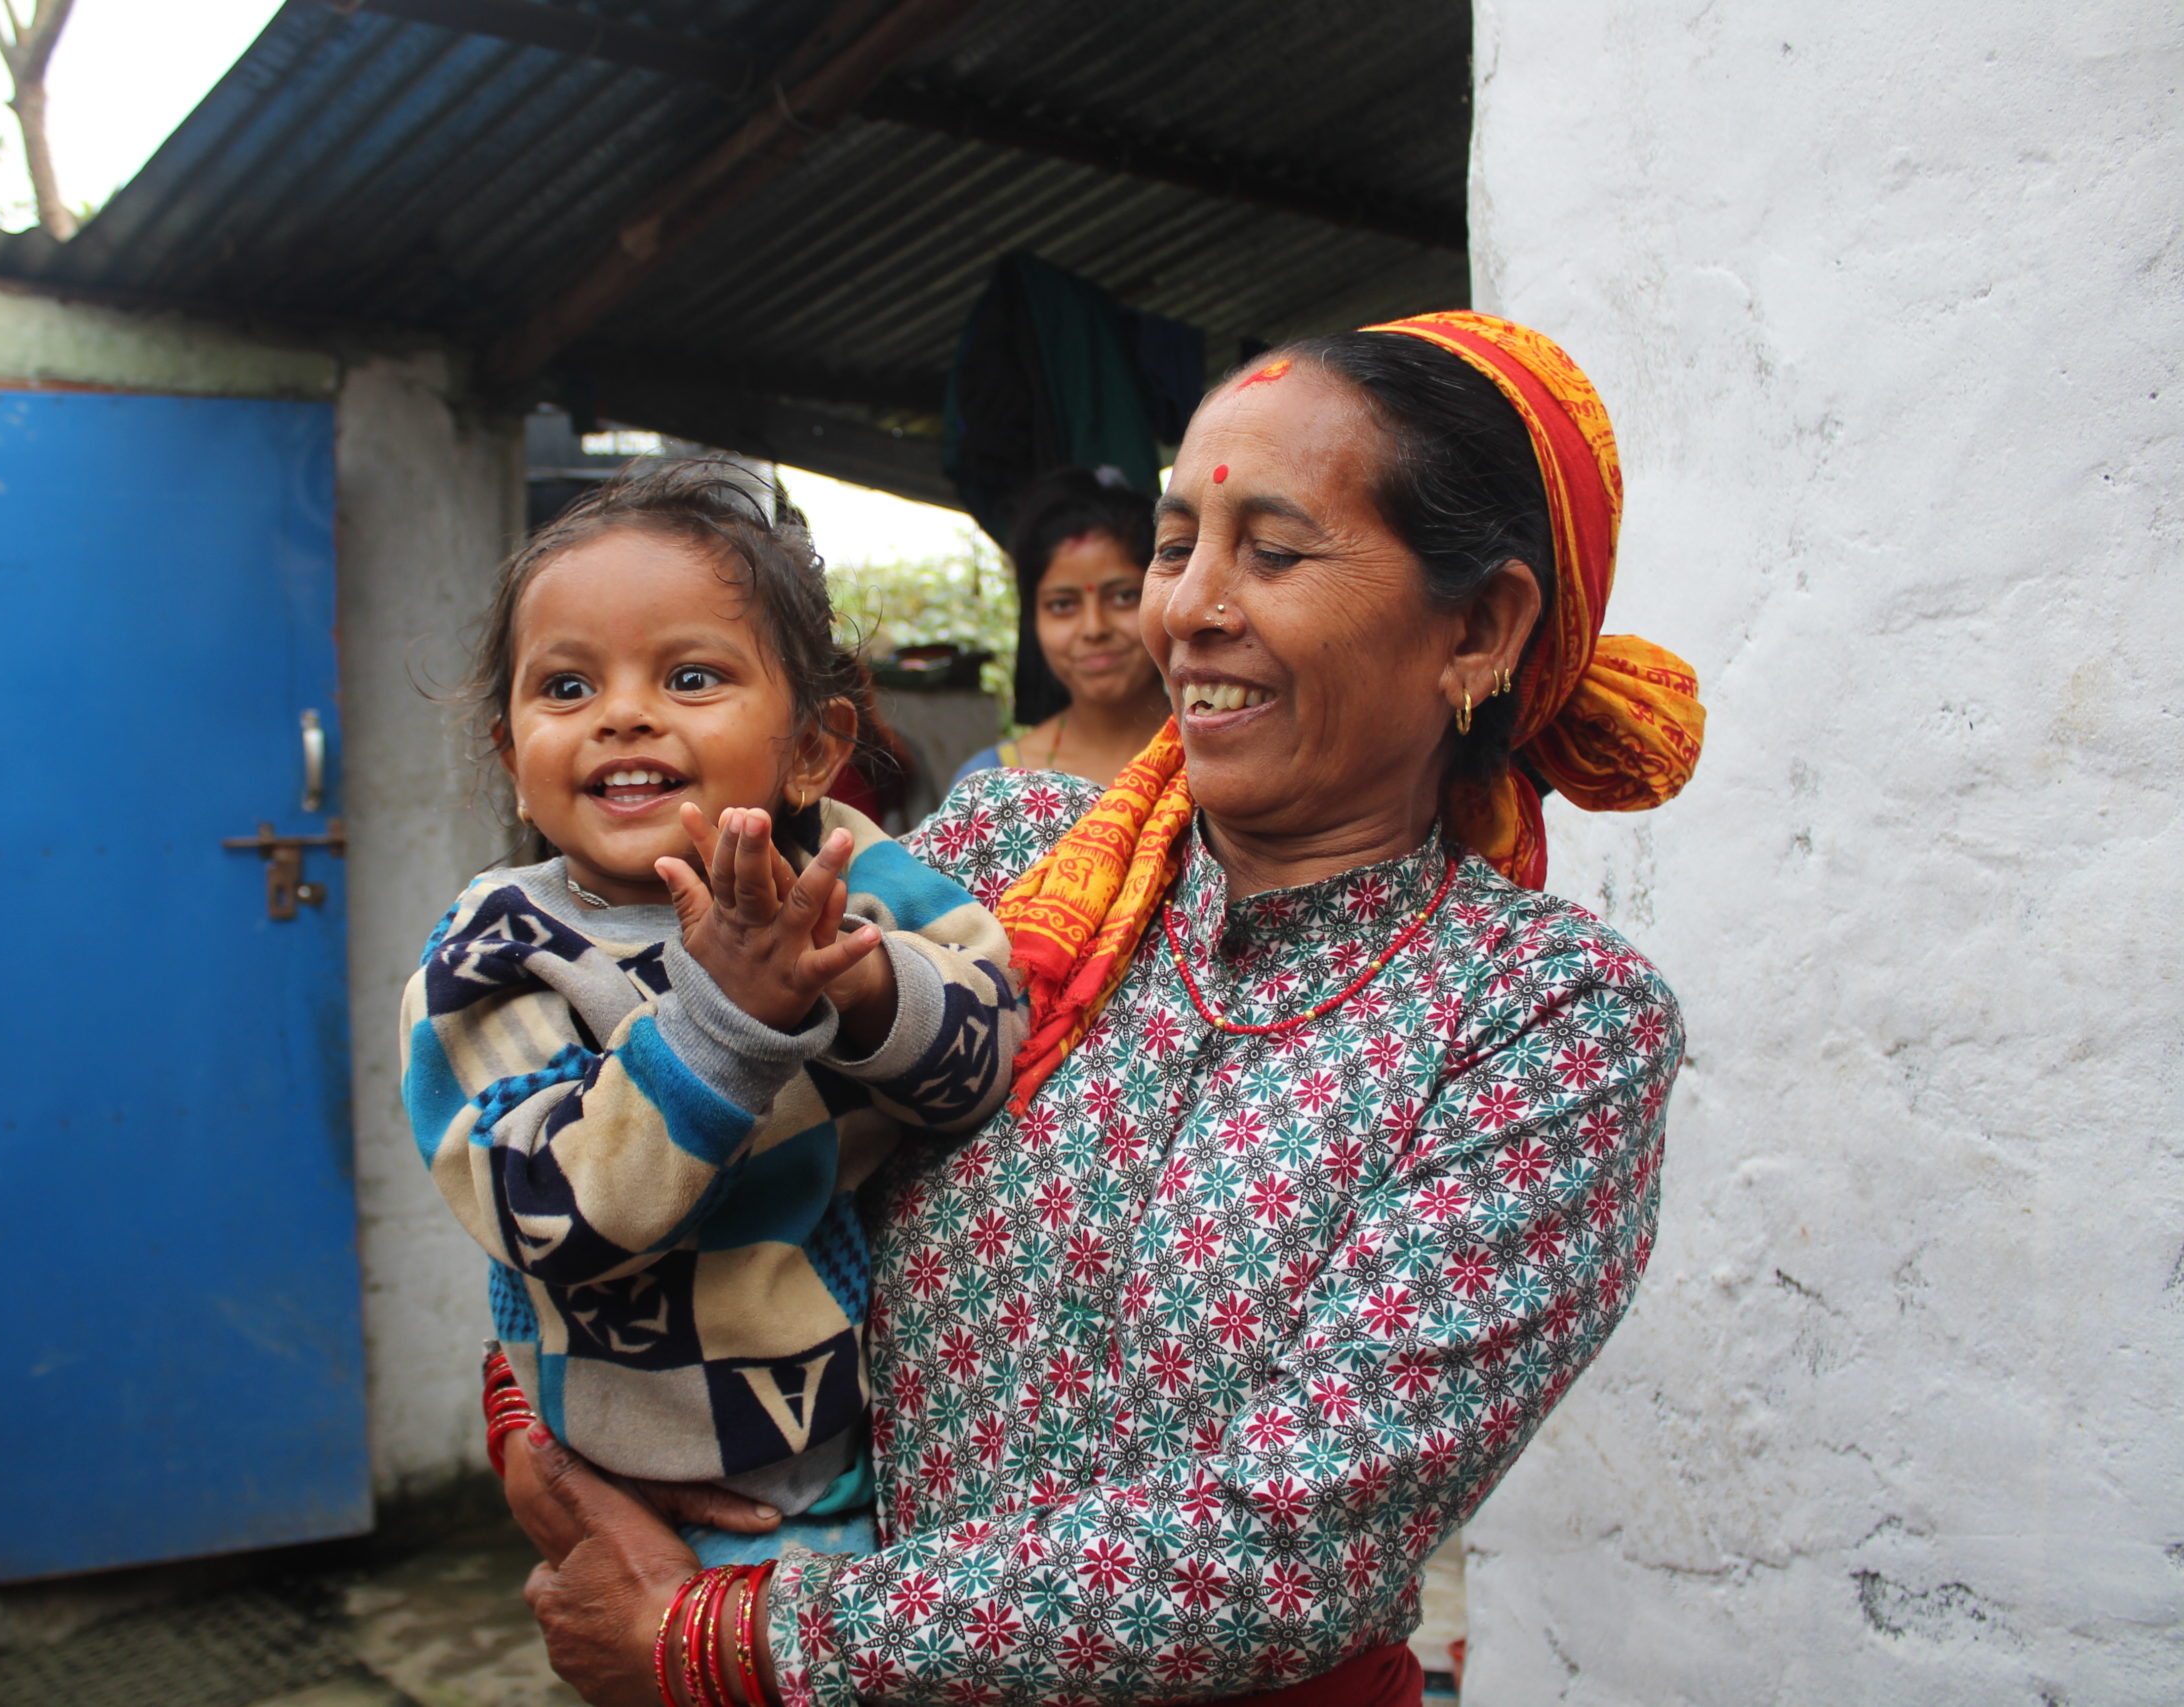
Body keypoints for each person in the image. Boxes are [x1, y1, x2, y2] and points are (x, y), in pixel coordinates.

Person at [504, 314, 1707, 1707]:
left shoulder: (1546, 1019)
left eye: (1273, 547)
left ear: (1480, 627)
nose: (1185, 607)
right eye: (1180, 539)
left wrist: (733, 1636)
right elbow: (631, 1139)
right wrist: (556, 1426)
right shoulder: (1002, 858)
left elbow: (1281, 1546)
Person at [400, 462, 1026, 1567]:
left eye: (690, 677)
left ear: (812, 750)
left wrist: (859, 983)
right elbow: (541, 1206)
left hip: (892, 1439)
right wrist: (725, 1025)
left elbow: (985, 1056)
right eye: (565, 688)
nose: (624, 715)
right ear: (511, 757)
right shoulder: (500, 950)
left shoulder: (850, 874)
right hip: (653, 1483)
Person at [951, 466, 1173, 790]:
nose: (1094, 628)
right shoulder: (990, 786)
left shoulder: (1222, 755)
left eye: (1124, 597)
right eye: (1062, 605)